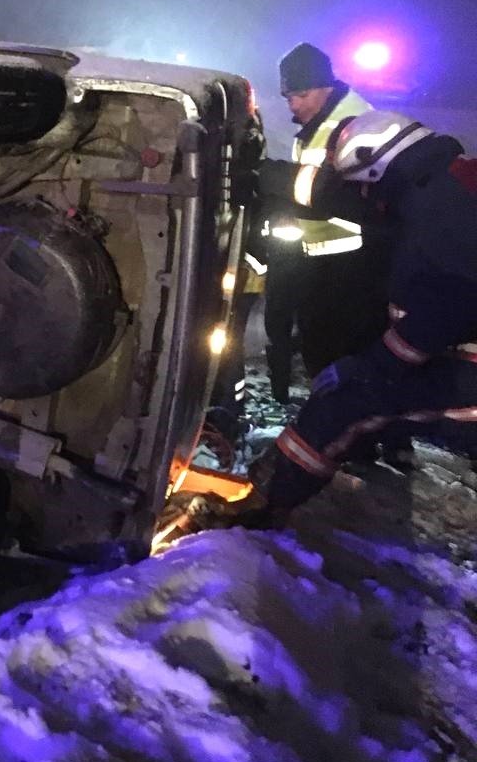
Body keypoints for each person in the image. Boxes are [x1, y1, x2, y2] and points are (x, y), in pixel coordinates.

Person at [180, 110, 477, 532]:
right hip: (453, 349)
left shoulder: (441, 209)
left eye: (366, 183)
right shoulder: (436, 181)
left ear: (378, 162)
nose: (366, 195)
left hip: (464, 363)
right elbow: (348, 198)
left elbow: (450, 303)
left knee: (348, 401)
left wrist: (375, 366)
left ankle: (262, 507)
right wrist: (264, 175)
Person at [262, 42, 382, 402]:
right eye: (287, 98)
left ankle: (349, 433)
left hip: (351, 268)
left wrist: (268, 178)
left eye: (298, 95)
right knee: (320, 343)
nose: (292, 105)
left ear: (322, 87)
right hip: (321, 262)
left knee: (337, 349)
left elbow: (327, 191)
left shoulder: (353, 125)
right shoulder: (320, 121)